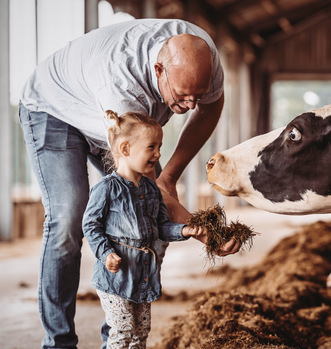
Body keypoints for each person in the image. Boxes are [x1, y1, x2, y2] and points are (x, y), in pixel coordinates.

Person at [18, 19, 240, 349]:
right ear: (159, 69)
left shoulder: (204, 57)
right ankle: (59, 342)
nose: (191, 105)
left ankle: (120, 340)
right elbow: (149, 197)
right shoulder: (123, 83)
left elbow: (210, 109)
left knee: (149, 224)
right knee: (69, 218)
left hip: (118, 119)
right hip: (56, 110)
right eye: (181, 96)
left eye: (198, 94)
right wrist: (205, 232)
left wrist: (170, 176)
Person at [83, 110, 206, 348]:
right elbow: (91, 225)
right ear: (125, 149)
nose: (159, 154)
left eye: (160, 147)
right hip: (116, 277)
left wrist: (184, 231)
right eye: (152, 147)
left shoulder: (151, 189)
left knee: (141, 331)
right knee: (122, 330)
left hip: (142, 276)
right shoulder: (107, 188)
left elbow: (161, 227)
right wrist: (106, 253)